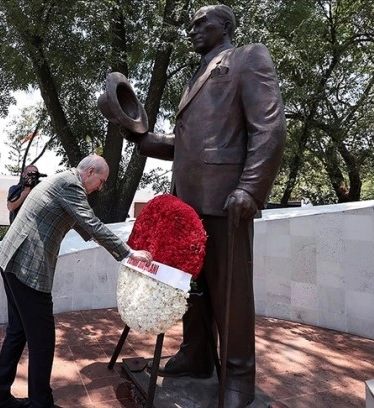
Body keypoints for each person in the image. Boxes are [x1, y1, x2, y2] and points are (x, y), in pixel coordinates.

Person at [122, 5, 286, 407]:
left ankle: (238, 378)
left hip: (227, 201)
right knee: (192, 289)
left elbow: (270, 126)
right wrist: (145, 141)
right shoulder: (196, 75)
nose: (192, 30)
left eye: (201, 23)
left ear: (225, 26)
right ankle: (196, 357)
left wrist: (250, 188)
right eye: (190, 24)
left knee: (231, 294)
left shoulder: (248, 58)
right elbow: (187, 144)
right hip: (187, 203)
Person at [0, 154, 153, 408]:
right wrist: (129, 253)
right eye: (102, 180)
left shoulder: (64, 183)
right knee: (42, 340)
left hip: (12, 261)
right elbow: (92, 224)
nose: (101, 187)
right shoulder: (71, 184)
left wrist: (121, 243)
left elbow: (84, 227)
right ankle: (41, 403)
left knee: (17, 332)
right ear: (91, 171)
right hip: (29, 267)